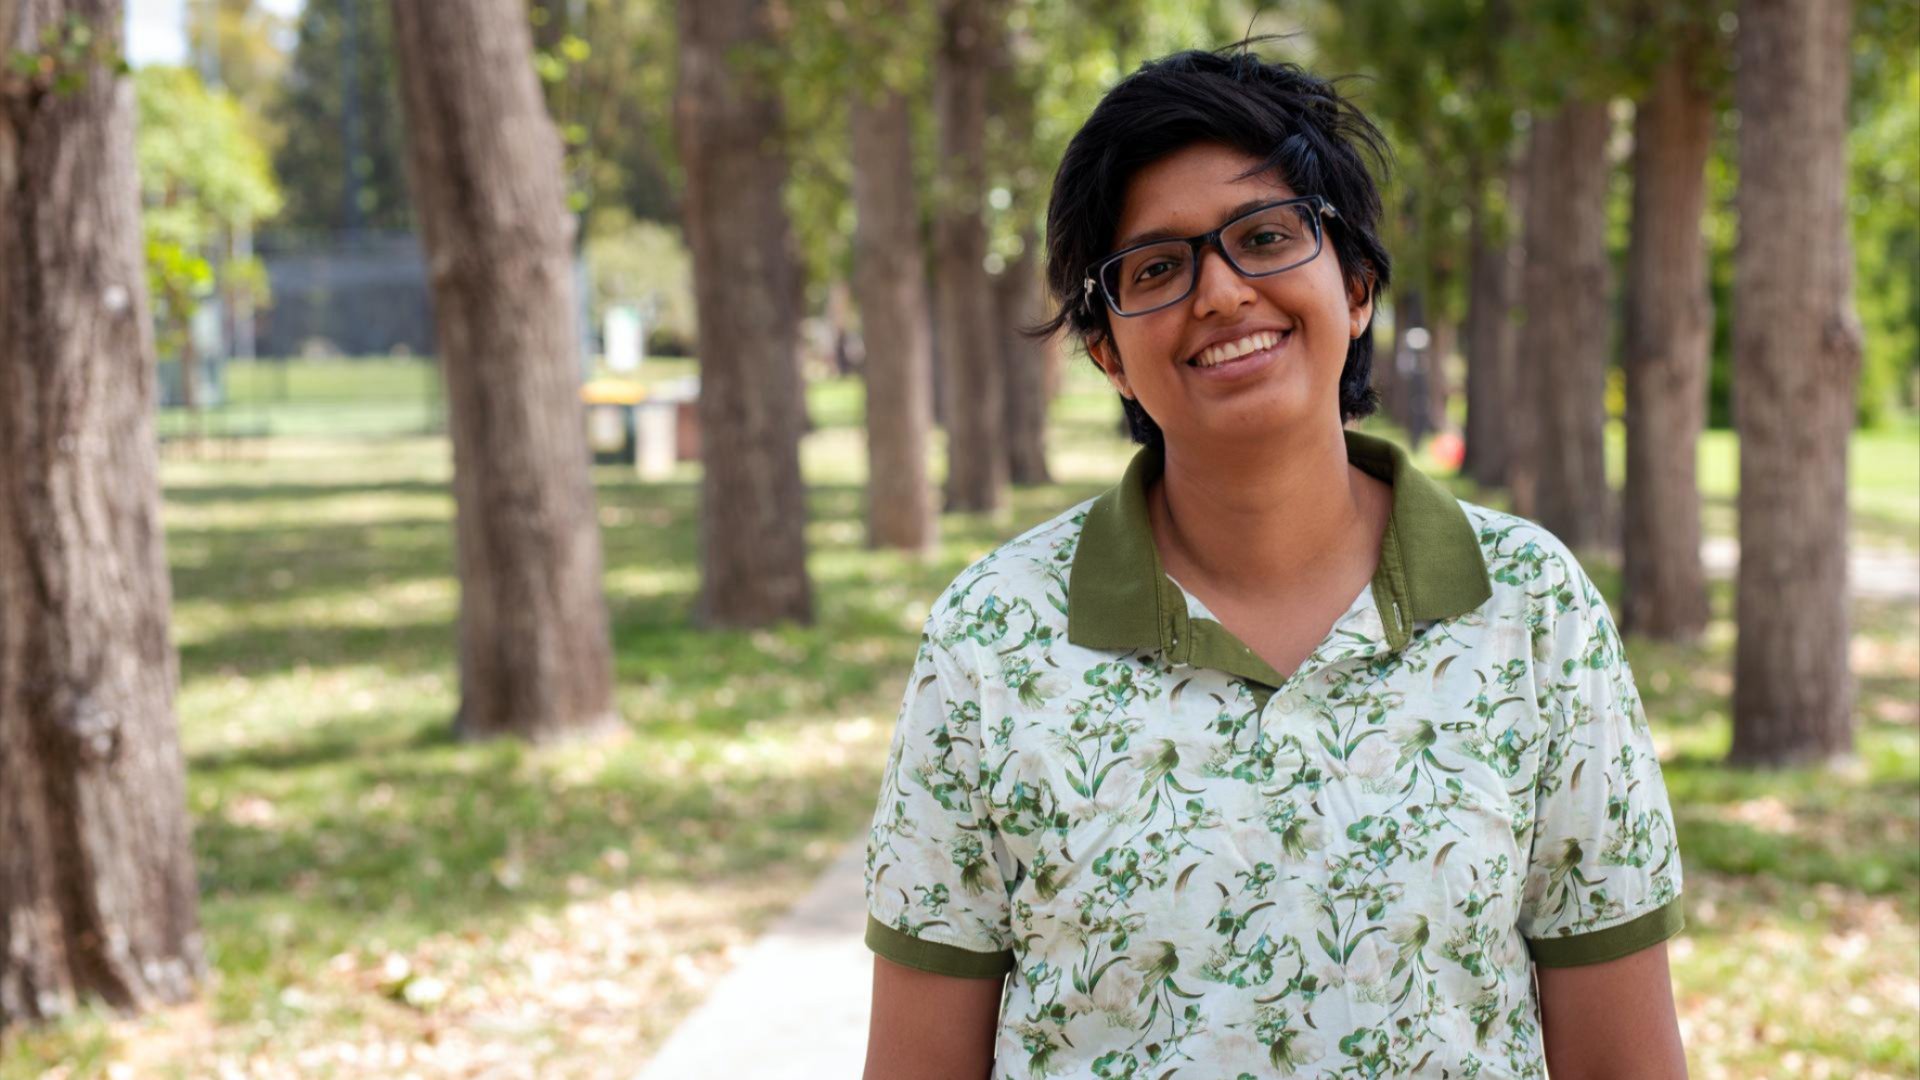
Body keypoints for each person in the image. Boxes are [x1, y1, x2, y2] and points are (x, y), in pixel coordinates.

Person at [862, 44, 1686, 1080]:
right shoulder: (992, 636)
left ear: (1357, 286)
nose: (1218, 294)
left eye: (1263, 237)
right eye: (1155, 268)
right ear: (1106, 350)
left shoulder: (1531, 608)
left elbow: (1623, 1056)